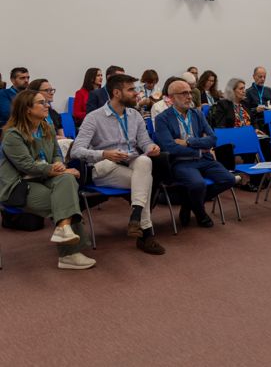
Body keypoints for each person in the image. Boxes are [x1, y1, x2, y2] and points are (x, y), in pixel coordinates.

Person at [71, 74, 166, 255]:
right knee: (144, 181)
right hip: (106, 167)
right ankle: (145, 232)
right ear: (116, 93)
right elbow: (76, 151)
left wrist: (151, 147)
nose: (136, 93)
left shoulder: (135, 115)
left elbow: (145, 142)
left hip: (130, 162)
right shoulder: (94, 117)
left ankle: (137, 215)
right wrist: (104, 153)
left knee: (145, 160)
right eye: (131, 90)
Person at [0, 90, 95, 269]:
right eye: (41, 103)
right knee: (64, 201)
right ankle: (68, 254)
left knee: (67, 182)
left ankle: (63, 231)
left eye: (46, 102)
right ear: (27, 109)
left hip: (44, 178)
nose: (47, 105)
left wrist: (59, 164)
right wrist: (57, 170)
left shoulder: (46, 127)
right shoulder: (12, 135)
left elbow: (57, 154)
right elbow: (27, 166)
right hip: (20, 184)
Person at [155, 79, 235, 228]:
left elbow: (212, 139)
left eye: (190, 92)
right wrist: (199, 147)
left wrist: (189, 142)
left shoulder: (197, 114)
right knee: (198, 184)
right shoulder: (162, 119)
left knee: (229, 179)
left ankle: (189, 203)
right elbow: (170, 147)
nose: (189, 96)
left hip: (204, 158)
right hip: (181, 161)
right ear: (172, 97)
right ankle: (200, 212)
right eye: (184, 93)